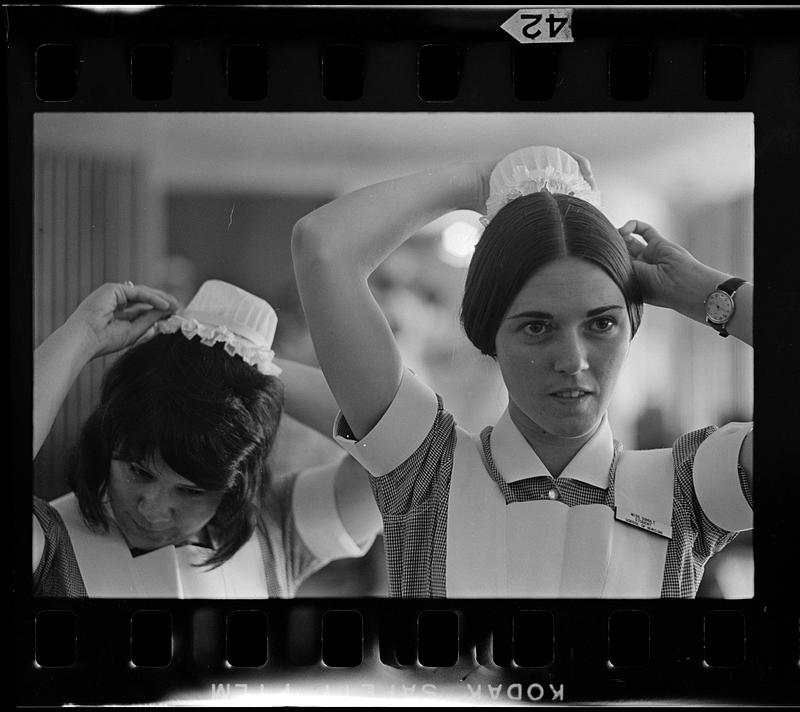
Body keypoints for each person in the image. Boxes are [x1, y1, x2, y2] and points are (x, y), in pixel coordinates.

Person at [291, 145, 753, 598]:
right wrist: (477, 181)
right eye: (537, 326)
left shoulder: (686, 487)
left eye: (602, 323)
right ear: (488, 333)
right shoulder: (425, 473)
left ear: (630, 326)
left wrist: (708, 294)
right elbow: (323, 247)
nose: (573, 360)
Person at [33, 279, 381, 598]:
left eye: (191, 491)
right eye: (139, 472)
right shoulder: (51, 544)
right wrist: (80, 337)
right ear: (106, 445)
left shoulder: (274, 528)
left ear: (237, 485)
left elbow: (408, 452)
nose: (152, 510)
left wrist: (248, 366)